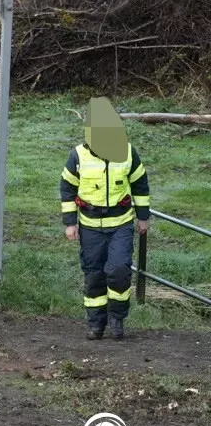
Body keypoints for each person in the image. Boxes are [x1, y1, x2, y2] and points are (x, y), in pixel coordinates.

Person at [60, 97, 151, 340]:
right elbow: (67, 189)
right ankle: (96, 324)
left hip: (120, 224)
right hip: (89, 227)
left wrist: (143, 217)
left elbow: (140, 185)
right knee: (94, 276)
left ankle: (117, 319)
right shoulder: (77, 156)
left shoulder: (129, 153)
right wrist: (70, 223)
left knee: (119, 270)